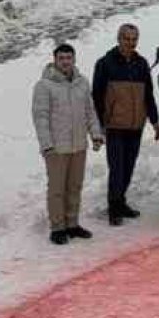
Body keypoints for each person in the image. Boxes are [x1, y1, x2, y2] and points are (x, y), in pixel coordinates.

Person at [32, 44, 102, 245]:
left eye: (68, 58)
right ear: (55, 60)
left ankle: (72, 224)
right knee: (56, 189)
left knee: (74, 186)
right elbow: (41, 117)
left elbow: (90, 112)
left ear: (74, 60)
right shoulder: (44, 86)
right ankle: (57, 228)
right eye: (61, 58)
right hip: (56, 148)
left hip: (78, 145)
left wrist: (95, 134)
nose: (65, 61)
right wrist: (46, 145)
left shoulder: (82, 83)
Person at [92, 24, 159, 226]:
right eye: (127, 38)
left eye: (134, 39)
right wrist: (100, 123)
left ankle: (121, 202)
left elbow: (148, 94)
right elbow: (97, 95)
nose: (130, 43)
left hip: (135, 124)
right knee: (117, 167)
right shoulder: (105, 63)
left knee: (129, 166)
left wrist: (154, 120)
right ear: (118, 38)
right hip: (114, 125)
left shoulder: (141, 64)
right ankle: (114, 207)